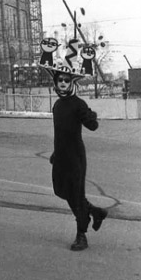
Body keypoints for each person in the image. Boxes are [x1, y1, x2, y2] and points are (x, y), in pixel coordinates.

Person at [44, 52, 108, 252]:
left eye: (66, 80)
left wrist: (90, 116)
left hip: (75, 158)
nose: (62, 83)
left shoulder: (78, 104)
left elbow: (93, 125)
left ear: (71, 82)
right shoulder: (57, 105)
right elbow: (60, 133)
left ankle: (82, 235)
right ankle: (95, 212)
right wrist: (56, 153)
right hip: (61, 156)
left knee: (76, 195)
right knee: (60, 190)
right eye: (59, 80)